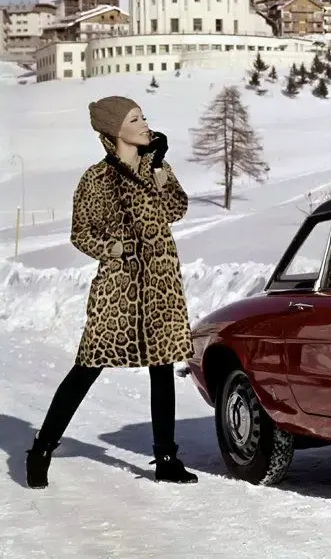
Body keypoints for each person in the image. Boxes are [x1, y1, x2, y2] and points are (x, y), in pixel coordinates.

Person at [26, 95, 198, 488]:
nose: (144, 124)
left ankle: (166, 458)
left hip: (161, 282)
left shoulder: (157, 166)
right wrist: (113, 250)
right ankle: (42, 448)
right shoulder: (96, 178)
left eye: (143, 116)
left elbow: (176, 209)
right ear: (114, 129)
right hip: (119, 286)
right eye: (135, 119)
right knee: (88, 366)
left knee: (163, 366)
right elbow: (80, 232)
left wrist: (159, 172)